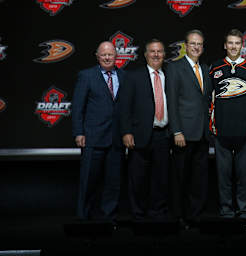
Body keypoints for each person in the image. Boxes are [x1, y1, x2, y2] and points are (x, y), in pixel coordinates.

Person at [209, 29, 246, 220]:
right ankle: (226, 210)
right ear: (225, 45)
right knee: (223, 177)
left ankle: (244, 211)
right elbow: (208, 98)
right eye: (230, 43)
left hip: (244, 132)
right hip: (221, 132)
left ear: (242, 45)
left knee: (244, 176)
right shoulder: (214, 67)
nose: (233, 46)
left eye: (237, 43)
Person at [118, 39, 171, 220]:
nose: (156, 54)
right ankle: (138, 213)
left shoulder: (169, 75)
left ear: (164, 55)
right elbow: (124, 107)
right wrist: (126, 132)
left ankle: (158, 212)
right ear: (145, 54)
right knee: (137, 178)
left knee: (161, 178)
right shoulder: (133, 76)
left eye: (159, 51)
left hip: (163, 134)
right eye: (152, 51)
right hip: (139, 135)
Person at [71, 41, 124, 220]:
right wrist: (79, 132)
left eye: (110, 54)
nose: (107, 57)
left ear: (116, 56)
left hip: (116, 139)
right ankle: (84, 217)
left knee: (113, 182)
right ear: (97, 56)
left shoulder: (124, 76)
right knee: (89, 181)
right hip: (92, 138)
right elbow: (78, 107)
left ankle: (109, 217)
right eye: (104, 55)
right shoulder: (86, 76)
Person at [166, 29, 212, 228]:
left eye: (199, 44)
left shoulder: (206, 68)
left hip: (202, 133)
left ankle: (196, 216)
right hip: (183, 134)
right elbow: (172, 102)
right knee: (180, 178)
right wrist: (176, 130)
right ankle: (179, 216)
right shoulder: (175, 68)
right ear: (185, 45)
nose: (196, 47)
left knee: (198, 179)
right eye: (193, 43)